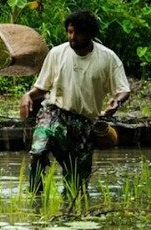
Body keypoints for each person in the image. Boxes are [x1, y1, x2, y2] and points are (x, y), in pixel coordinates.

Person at [20, 10, 130, 199]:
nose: (73, 37)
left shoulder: (108, 58)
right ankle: (36, 198)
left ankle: (69, 209)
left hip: (84, 123)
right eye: (70, 32)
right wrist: (28, 95)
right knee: (38, 152)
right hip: (54, 113)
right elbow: (42, 87)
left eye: (78, 33)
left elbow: (123, 89)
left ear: (90, 34)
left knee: (76, 188)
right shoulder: (57, 53)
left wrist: (117, 101)